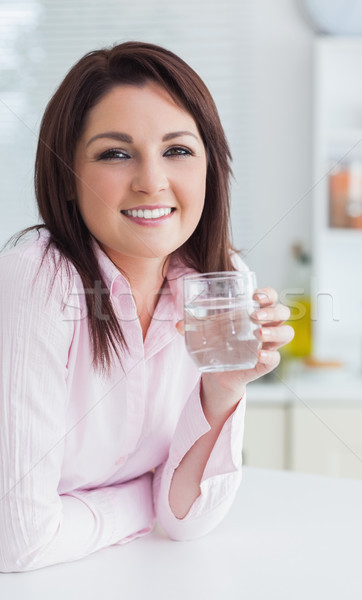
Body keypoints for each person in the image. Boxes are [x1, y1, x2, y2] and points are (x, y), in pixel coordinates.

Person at [0, 41, 293, 572]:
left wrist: (222, 389)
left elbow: (187, 521)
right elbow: (17, 540)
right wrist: (142, 501)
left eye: (177, 150)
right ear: (68, 176)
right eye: (115, 153)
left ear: (209, 167)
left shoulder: (219, 282)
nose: (151, 181)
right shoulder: (35, 279)